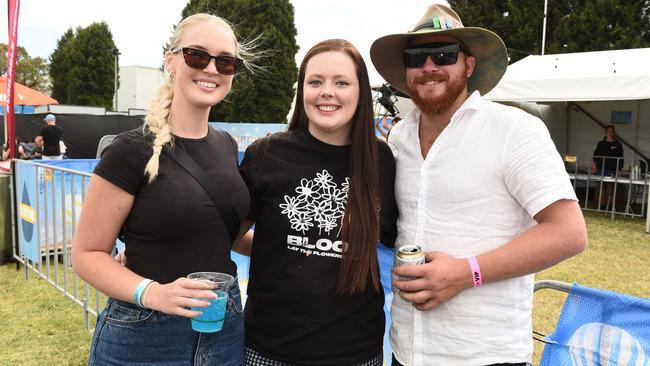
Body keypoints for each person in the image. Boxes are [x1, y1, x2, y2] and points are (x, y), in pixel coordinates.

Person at [369, 4, 588, 366]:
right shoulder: (398, 138)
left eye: (444, 55)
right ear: (406, 70)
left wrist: (466, 273)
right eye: (416, 57)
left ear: (468, 65)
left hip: (484, 354)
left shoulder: (514, 130)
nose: (429, 67)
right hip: (406, 352)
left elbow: (569, 233)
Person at [72, 13, 253, 365]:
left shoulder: (227, 145)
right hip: (145, 331)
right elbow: (87, 254)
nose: (212, 69)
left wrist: (295, 251)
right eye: (197, 55)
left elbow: (220, 234)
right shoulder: (129, 150)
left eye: (226, 61)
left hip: (223, 323)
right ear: (171, 60)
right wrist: (153, 293)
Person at [237, 39, 398, 365]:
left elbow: (395, 237)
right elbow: (230, 233)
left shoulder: (381, 159)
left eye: (341, 82)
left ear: (360, 92)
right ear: (302, 91)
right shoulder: (266, 154)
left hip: (356, 352)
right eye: (315, 82)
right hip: (269, 349)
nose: (327, 91)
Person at [591, 124, 624, 209]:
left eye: (611, 131)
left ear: (614, 133)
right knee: (602, 187)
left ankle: (610, 205)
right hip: (602, 168)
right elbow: (595, 155)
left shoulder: (618, 144)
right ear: (606, 133)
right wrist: (594, 166)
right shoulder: (601, 143)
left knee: (611, 188)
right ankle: (602, 204)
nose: (610, 133)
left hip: (613, 169)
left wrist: (619, 169)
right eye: (608, 131)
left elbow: (621, 157)